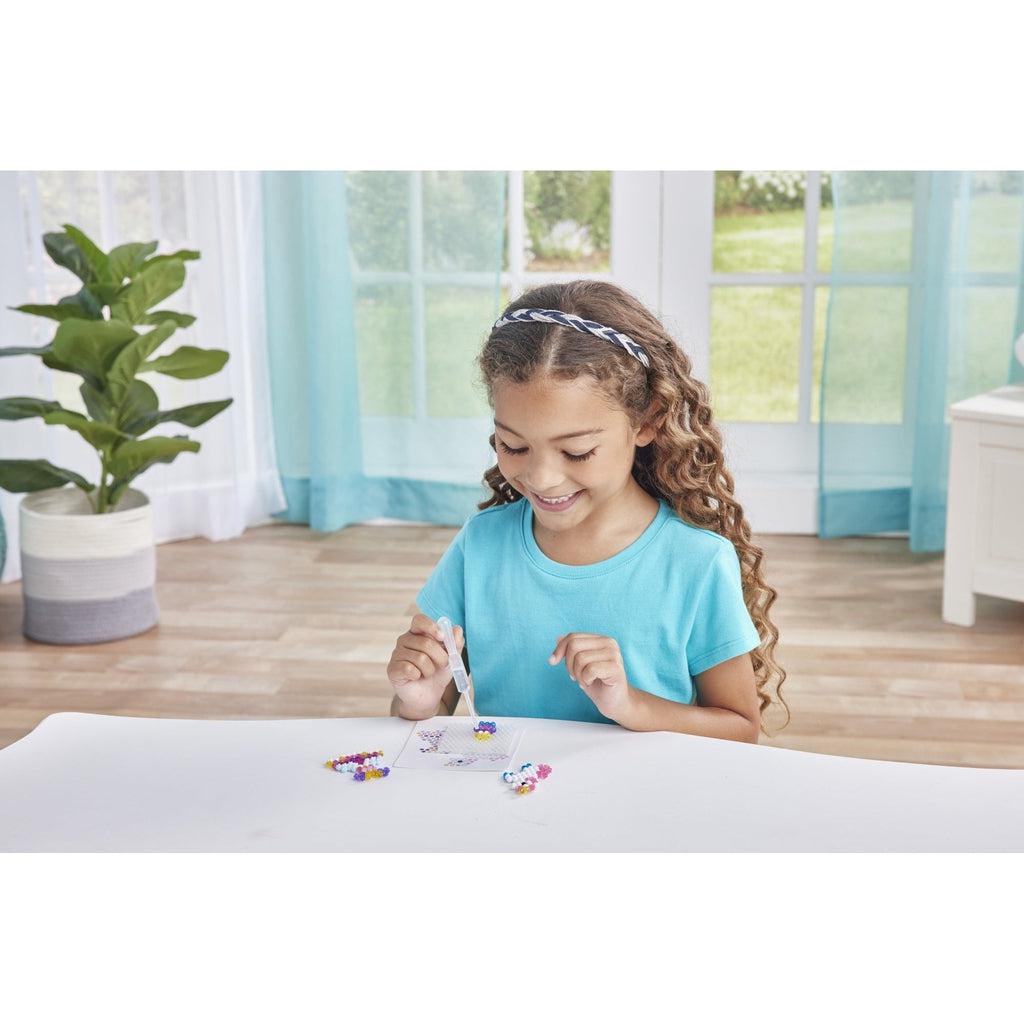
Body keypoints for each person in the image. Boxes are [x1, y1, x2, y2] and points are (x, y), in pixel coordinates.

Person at [386, 280, 787, 741]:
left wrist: (630, 704)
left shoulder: (696, 561)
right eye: (513, 445)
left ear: (648, 421)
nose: (542, 478)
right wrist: (418, 699)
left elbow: (740, 729)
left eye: (576, 452)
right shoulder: (480, 544)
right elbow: (433, 705)